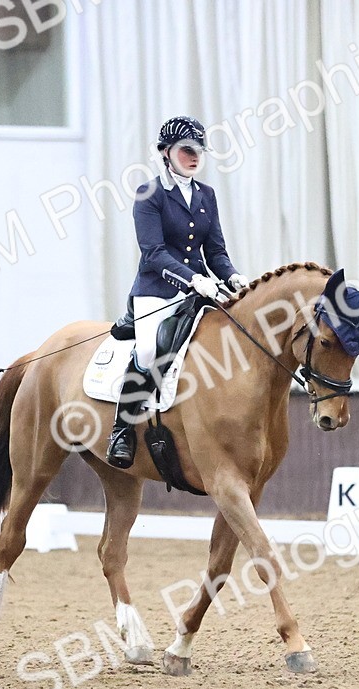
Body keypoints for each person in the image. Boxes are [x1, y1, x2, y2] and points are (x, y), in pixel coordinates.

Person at [105, 115, 250, 469]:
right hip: (157, 289)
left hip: (199, 289)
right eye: (187, 150)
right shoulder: (150, 194)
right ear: (165, 153)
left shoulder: (206, 195)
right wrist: (192, 279)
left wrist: (233, 277)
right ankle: (122, 430)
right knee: (151, 349)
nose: (194, 156)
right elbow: (153, 252)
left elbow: (215, 251)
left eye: (199, 150)